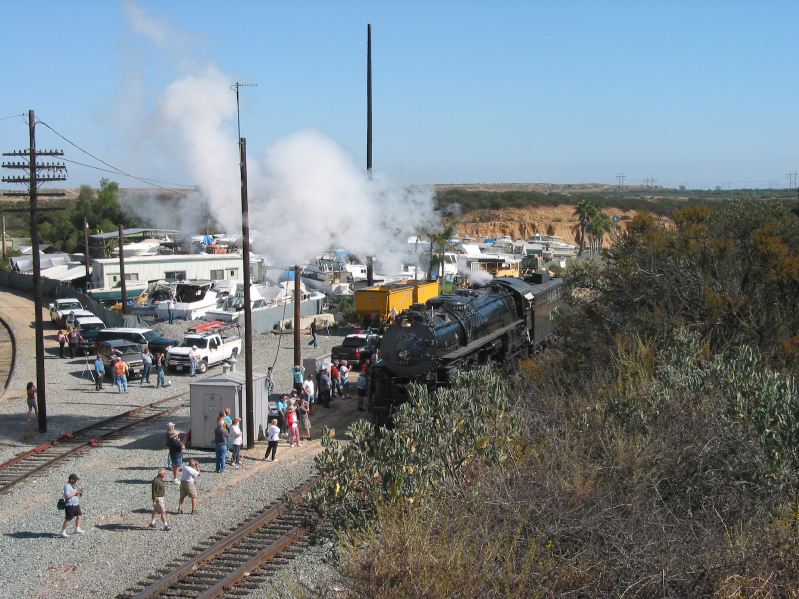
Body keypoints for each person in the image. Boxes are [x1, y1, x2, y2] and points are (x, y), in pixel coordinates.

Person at [60, 473, 84, 537]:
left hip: (76, 504)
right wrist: (76, 492)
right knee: (68, 519)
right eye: (75, 479)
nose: (76, 481)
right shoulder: (67, 486)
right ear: (71, 480)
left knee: (79, 516)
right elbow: (67, 496)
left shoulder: (73, 486)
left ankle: (77, 528)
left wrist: (79, 493)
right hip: (70, 505)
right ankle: (63, 531)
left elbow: (73, 494)